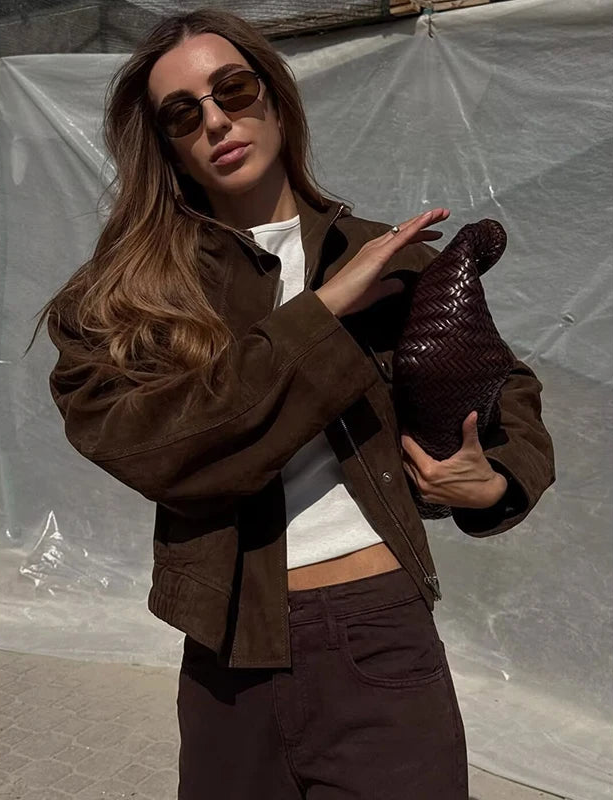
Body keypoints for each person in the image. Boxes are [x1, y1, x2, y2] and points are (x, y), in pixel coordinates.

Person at [34, 8, 555, 800]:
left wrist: (495, 482)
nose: (215, 120)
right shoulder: (135, 297)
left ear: (273, 98)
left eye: (231, 89)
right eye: (182, 113)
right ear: (167, 144)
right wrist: (318, 316)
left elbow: (503, 380)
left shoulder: (380, 258)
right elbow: (151, 447)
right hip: (226, 653)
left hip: (378, 631)